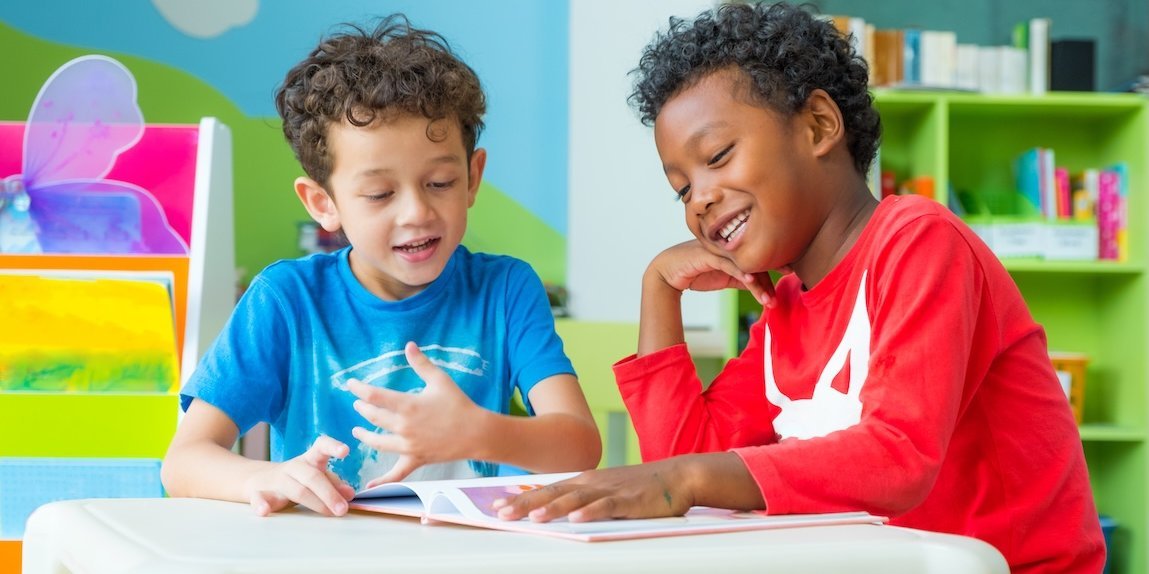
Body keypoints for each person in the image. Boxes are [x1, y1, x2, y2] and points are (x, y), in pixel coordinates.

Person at [493, 3, 1104, 572]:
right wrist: (659, 288)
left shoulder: (920, 241)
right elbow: (682, 458)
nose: (699, 199)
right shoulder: (785, 309)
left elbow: (898, 455)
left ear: (817, 125)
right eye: (681, 189)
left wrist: (685, 480)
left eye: (719, 155)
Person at [161, 14, 601, 518]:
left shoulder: (505, 289)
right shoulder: (286, 300)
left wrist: (476, 432)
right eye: (379, 193)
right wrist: (263, 477)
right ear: (323, 203)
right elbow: (184, 461)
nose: (416, 212)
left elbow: (580, 447)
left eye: (439, 183)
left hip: (465, 551)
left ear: (472, 177)